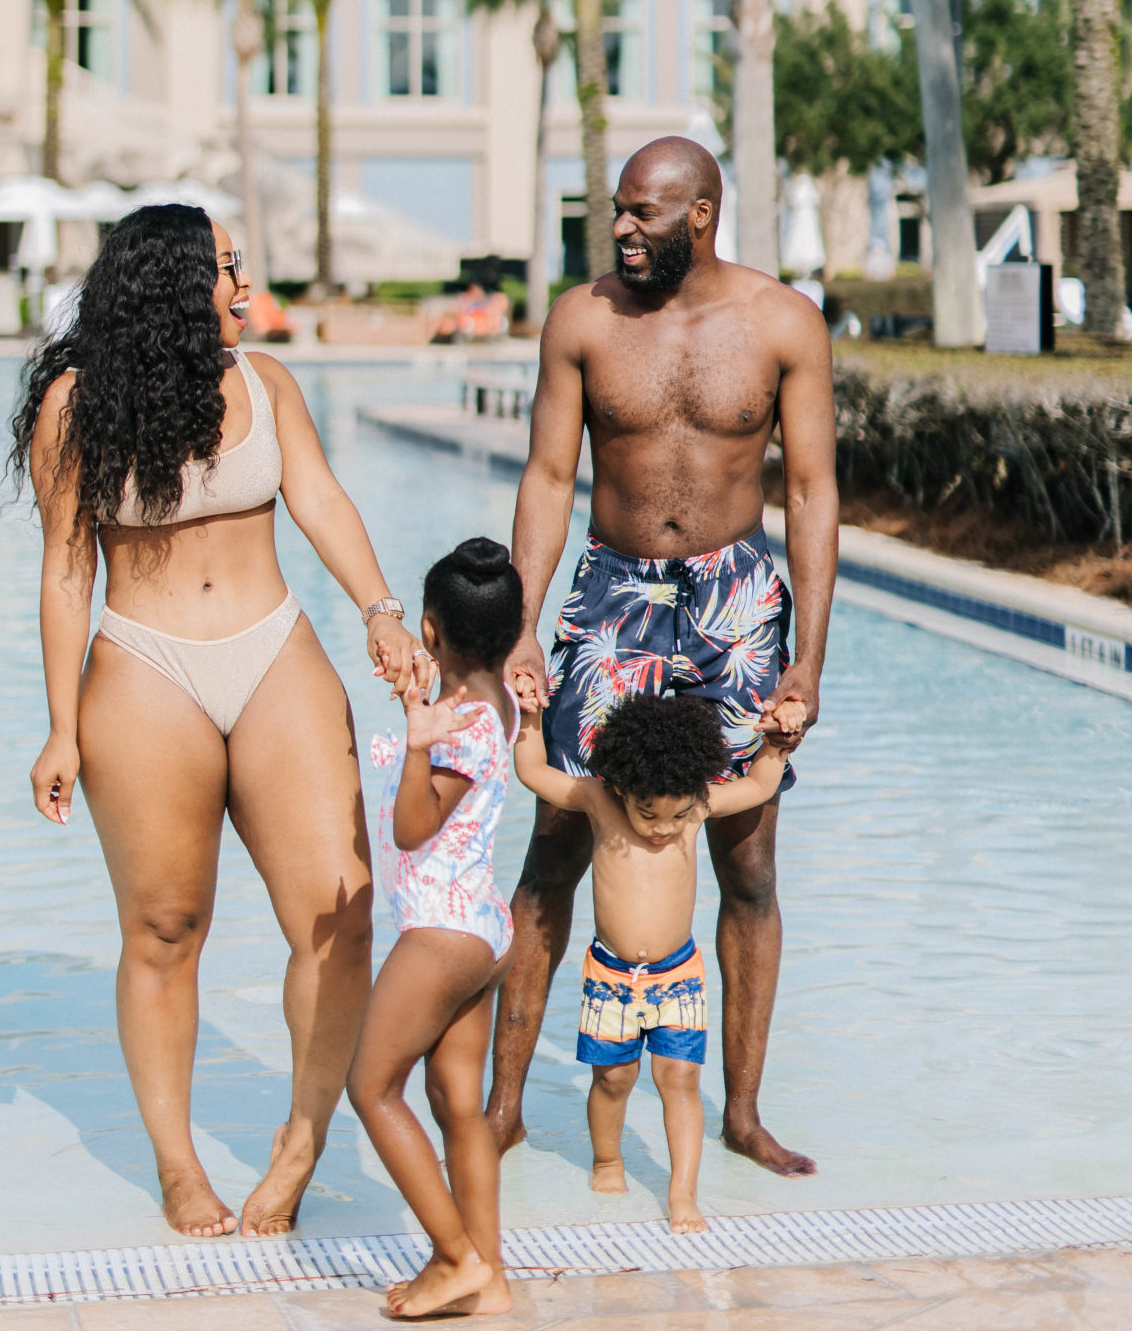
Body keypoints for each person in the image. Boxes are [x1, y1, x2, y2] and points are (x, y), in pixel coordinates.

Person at [15, 204, 421, 1239]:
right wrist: (61, 726)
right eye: (229, 269)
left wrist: (381, 612)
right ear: (170, 284)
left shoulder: (266, 385)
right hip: (144, 669)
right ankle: (178, 1163)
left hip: (274, 651)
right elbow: (67, 570)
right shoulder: (76, 405)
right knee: (162, 930)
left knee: (341, 909)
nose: (244, 288)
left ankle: (298, 1144)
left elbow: (321, 501)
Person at [488, 135, 838, 1177]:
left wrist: (808, 658)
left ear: (701, 214)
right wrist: (522, 624)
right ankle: (504, 1109)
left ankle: (739, 1113)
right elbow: (551, 477)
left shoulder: (783, 323)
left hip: (737, 600)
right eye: (618, 211)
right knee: (558, 840)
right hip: (614, 594)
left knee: (750, 861)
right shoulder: (584, 320)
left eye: (644, 213)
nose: (622, 229)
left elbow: (815, 494)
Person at [513, 686, 804, 1229]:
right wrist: (530, 714)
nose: (663, 828)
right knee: (613, 1082)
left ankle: (682, 1193)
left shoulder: (697, 806)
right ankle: (607, 1158)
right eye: (647, 813)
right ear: (622, 786)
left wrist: (777, 740)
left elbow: (762, 784)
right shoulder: (599, 800)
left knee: (680, 1082)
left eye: (676, 815)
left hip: (678, 979)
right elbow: (532, 771)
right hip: (610, 979)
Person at [349, 539, 522, 1319]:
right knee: (457, 1101)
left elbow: (416, 828)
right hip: (481, 925)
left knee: (372, 1087)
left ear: (428, 628)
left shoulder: (459, 728)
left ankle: (453, 1258)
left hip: (442, 930)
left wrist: (417, 746)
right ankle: (489, 1274)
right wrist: (424, 711)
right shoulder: (496, 701)